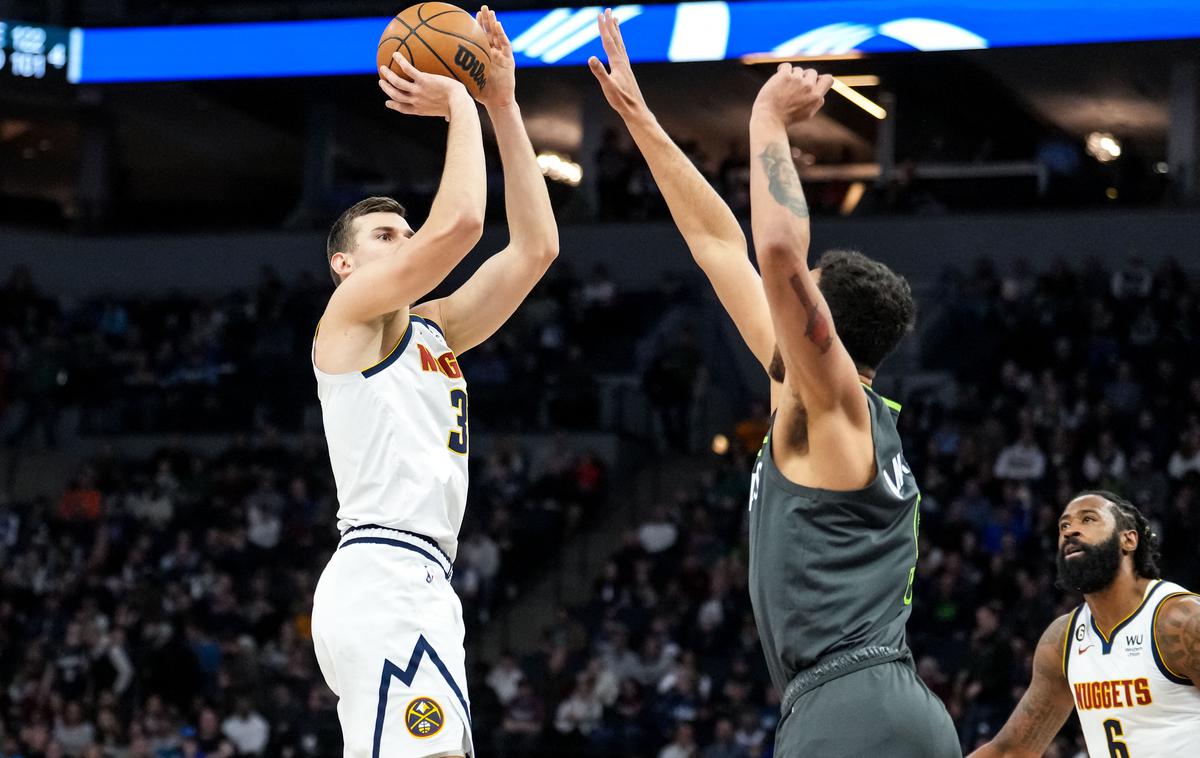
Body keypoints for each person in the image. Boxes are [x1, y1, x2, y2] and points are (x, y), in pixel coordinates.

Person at [589, 10, 958, 757]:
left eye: (801, 299)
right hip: (875, 702)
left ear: (828, 327)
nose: (780, 300)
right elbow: (718, 243)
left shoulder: (834, 405)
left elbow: (781, 250)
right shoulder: (810, 394)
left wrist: (768, 117)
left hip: (851, 706)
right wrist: (639, 116)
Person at [309, 7, 558, 757]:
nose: (407, 242)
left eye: (406, 232)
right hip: (384, 575)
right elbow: (462, 228)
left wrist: (504, 108)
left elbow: (538, 246)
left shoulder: (435, 331)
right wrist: (458, 100)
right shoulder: (348, 316)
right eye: (385, 236)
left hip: (418, 584)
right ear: (344, 265)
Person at [968, 491, 1200, 757]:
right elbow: (1013, 750)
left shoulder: (1180, 621)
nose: (1070, 531)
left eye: (1088, 519)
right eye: (1064, 526)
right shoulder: (1063, 640)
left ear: (1128, 539)